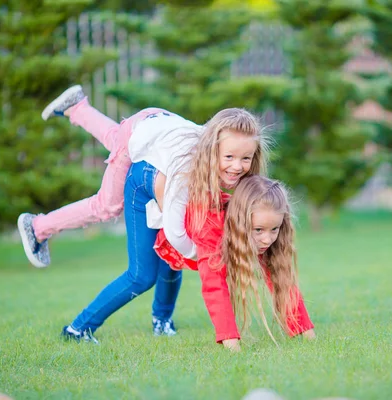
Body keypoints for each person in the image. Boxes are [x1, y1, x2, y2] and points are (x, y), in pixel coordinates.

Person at [61, 105, 268, 343]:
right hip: (143, 183)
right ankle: (77, 329)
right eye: (229, 157)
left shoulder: (232, 165)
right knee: (142, 275)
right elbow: (176, 234)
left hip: (163, 177)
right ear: (213, 151)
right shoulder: (186, 174)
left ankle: (162, 320)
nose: (237, 166)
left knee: (171, 261)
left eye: (245, 158)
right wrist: (207, 254)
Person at [17, 85, 171, 269]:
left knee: (117, 138)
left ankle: (77, 107)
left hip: (156, 120)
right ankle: (37, 227)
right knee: (106, 206)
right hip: (147, 134)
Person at [155, 175, 315, 351]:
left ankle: (161, 318)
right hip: (153, 203)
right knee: (144, 276)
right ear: (240, 221)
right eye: (259, 230)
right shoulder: (212, 231)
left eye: (274, 229)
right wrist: (231, 342)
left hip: (188, 236)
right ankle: (160, 317)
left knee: (167, 276)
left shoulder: (260, 225)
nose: (267, 239)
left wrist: (307, 333)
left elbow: (281, 280)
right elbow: (215, 287)